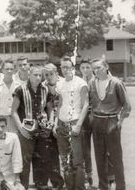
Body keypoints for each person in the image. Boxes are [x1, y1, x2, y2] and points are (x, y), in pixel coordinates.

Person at [89, 58, 131, 190]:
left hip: (112, 121)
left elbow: (127, 106)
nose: (96, 71)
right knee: (99, 156)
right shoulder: (92, 83)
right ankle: (103, 186)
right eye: (94, 68)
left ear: (106, 66)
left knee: (115, 157)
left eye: (99, 67)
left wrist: (119, 122)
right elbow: (89, 103)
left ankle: (120, 186)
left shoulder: (116, 83)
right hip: (97, 121)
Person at [11, 66, 51, 189]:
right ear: (29, 74)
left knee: (42, 157)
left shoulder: (45, 89)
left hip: (42, 129)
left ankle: (41, 184)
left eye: (40, 75)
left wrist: (50, 123)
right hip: (26, 130)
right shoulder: (20, 89)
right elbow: (13, 111)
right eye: (35, 75)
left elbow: (49, 109)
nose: (38, 78)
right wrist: (20, 128)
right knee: (25, 159)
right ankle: (24, 186)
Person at [53, 56, 89, 190]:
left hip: (74, 122)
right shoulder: (60, 83)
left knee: (77, 160)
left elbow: (86, 104)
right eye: (63, 67)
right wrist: (56, 123)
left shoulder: (80, 83)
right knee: (65, 159)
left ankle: (79, 187)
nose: (65, 70)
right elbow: (60, 104)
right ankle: (69, 187)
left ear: (73, 68)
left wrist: (79, 124)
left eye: (68, 67)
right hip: (62, 123)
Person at [31, 63, 64, 189]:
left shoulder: (62, 84)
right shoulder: (42, 86)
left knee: (58, 154)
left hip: (62, 120)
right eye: (47, 75)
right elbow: (46, 107)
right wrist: (48, 123)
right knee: (43, 153)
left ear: (56, 73)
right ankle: (41, 182)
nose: (49, 77)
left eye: (51, 74)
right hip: (47, 123)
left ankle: (59, 182)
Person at [0, 60, 20, 133]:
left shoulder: (19, 86)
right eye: (7, 69)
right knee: (1, 142)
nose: (9, 71)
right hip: (1, 120)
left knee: (14, 141)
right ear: (2, 70)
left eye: (11, 69)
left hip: (15, 119)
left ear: (14, 70)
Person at [79, 59, 94, 187]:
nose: (85, 70)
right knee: (85, 148)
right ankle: (87, 176)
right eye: (83, 67)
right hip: (84, 117)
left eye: (88, 67)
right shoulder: (79, 82)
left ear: (92, 68)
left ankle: (109, 178)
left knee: (103, 149)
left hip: (98, 116)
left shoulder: (97, 80)